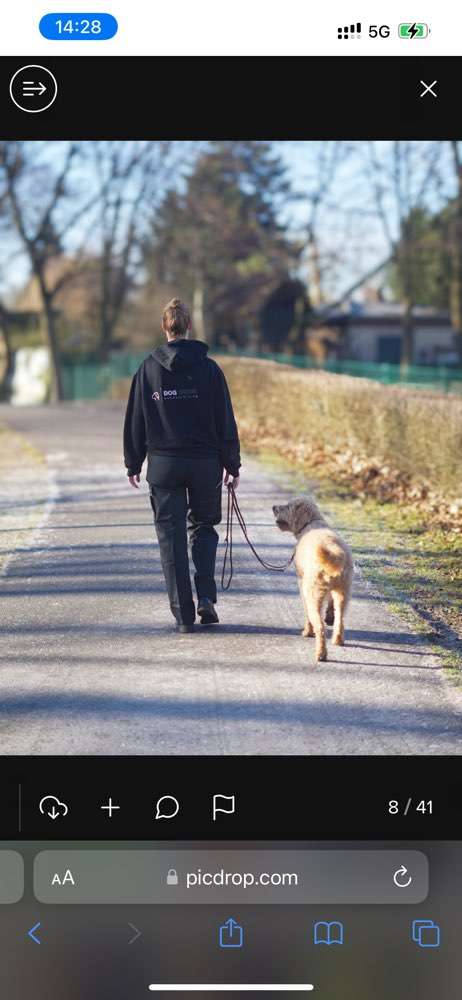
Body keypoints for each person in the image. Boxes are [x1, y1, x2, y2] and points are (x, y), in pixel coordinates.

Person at [123, 298, 241, 633]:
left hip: (164, 465)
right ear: (188, 327)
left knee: (170, 537)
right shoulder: (210, 369)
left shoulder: (148, 369)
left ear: (165, 328)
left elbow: (136, 418)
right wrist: (232, 463)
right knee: (204, 528)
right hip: (205, 465)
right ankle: (205, 596)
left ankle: (183, 615)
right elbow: (225, 419)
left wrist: (133, 461)